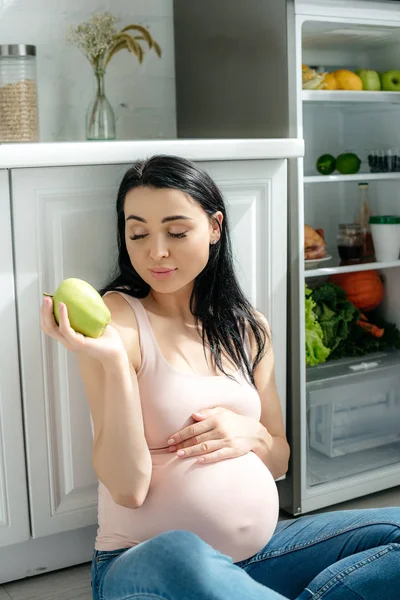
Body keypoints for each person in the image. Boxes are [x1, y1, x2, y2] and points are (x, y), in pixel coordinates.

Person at [40, 155, 400, 600]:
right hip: (145, 568)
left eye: (176, 231)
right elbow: (128, 489)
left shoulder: (248, 328)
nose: (156, 251)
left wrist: (250, 433)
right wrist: (113, 365)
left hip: (260, 560)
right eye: (138, 233)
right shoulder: (115, 319)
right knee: (180, 551)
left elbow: (280, 460)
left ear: (214, 227)